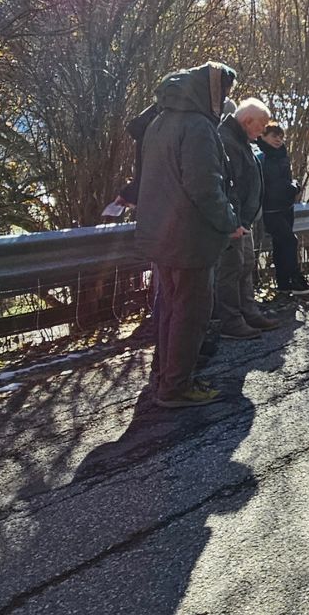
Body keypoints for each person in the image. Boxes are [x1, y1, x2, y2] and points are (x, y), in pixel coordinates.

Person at [134, 61, 241, 409]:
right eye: (224, 91)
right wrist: (229, 221)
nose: (225, 100)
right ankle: (177, 386)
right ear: (210, 90)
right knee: (190, 313)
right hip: (190, 237)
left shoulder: (160, 121)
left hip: (163, 234)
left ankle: (165, 377)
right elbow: (205, 187)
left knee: (168, 307)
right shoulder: (196, 127)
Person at [215, 99, 281, 339]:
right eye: (261, 124)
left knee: (245, 266)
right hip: (234, 220)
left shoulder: (241, 140)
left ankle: (248, 312)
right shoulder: (227, 141)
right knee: (231, 270)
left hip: (244, 218)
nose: (263, 130)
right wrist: (232, 220)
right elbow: (226, 184)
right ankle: (231, 320)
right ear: (246, 121)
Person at [257, 123, 309, 295]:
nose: (278, 140)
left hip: (285, 206)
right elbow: (273, 184)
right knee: (289, 241)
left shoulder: (282, 155)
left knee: (281, 244)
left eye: (280, 137)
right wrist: (293, 187)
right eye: (274, 136)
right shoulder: (261, 156)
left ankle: (283, 284)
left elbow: (284, 180)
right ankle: (293, 279)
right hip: (270, 209)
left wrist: (293, 185)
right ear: (264, 136)